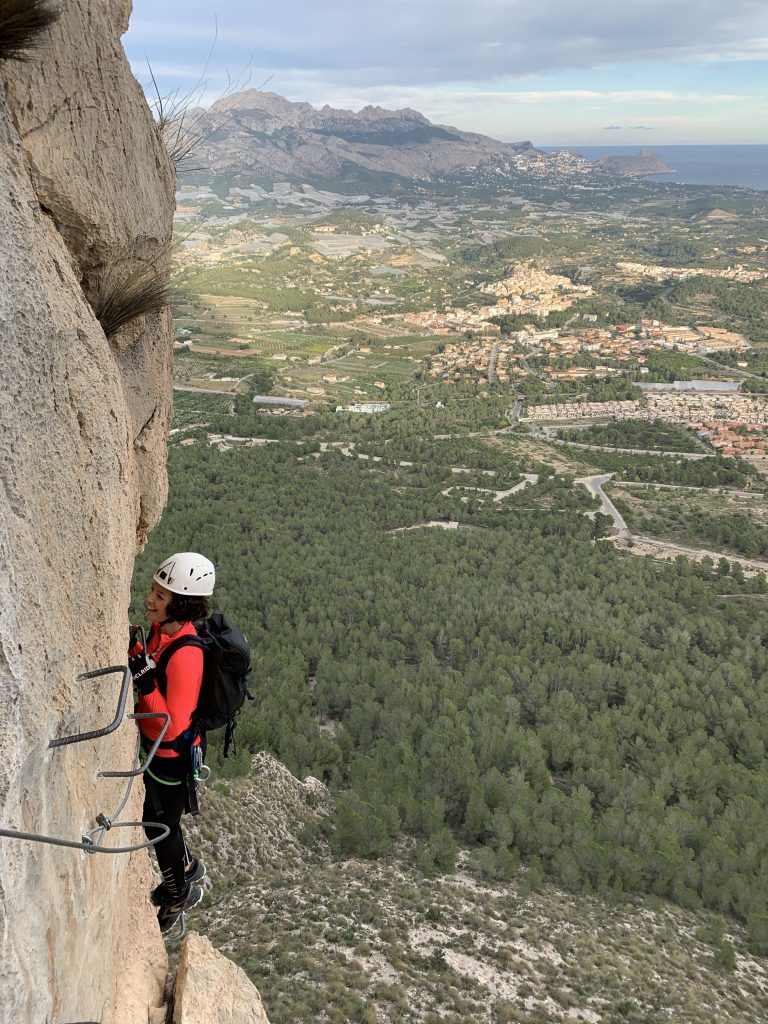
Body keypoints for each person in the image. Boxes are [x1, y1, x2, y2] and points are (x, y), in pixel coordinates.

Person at [128, 551, 215, 934]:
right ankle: (188, 868)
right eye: (152, 590)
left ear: (180, 604)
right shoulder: (166, 634)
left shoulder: (186, 654)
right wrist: (141, 656)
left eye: (160, 597)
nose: (150, 599)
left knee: (158, 822)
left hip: (171, 758)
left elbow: (170, 723)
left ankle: (177, 893)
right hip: (162, 753)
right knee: (166, 819)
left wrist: (145, 678)